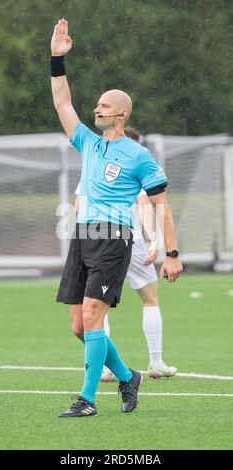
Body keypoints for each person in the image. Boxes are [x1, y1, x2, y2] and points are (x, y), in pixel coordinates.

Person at [51, 19, 183, 418]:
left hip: (114, 239)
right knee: (79, 326)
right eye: (98, 105)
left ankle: (87, 400)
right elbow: (62, 103)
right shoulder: (88, 142)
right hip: (81, 238)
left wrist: (171, 253)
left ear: (122, 114)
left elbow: (162, 205)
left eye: (105, 106)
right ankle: (128, 376)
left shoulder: (139, 156)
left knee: (93, 315)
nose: (97, 109)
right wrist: (57, 59)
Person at [74, 128, 177, 382]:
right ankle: (155, 361)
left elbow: (77, 207)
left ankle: (105, 367)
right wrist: (155, 241)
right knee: (150, 300)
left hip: (95, 241)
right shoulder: (135, 162)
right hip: (129, 241)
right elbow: (145, 205)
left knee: (95, 309)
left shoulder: (94, 165)